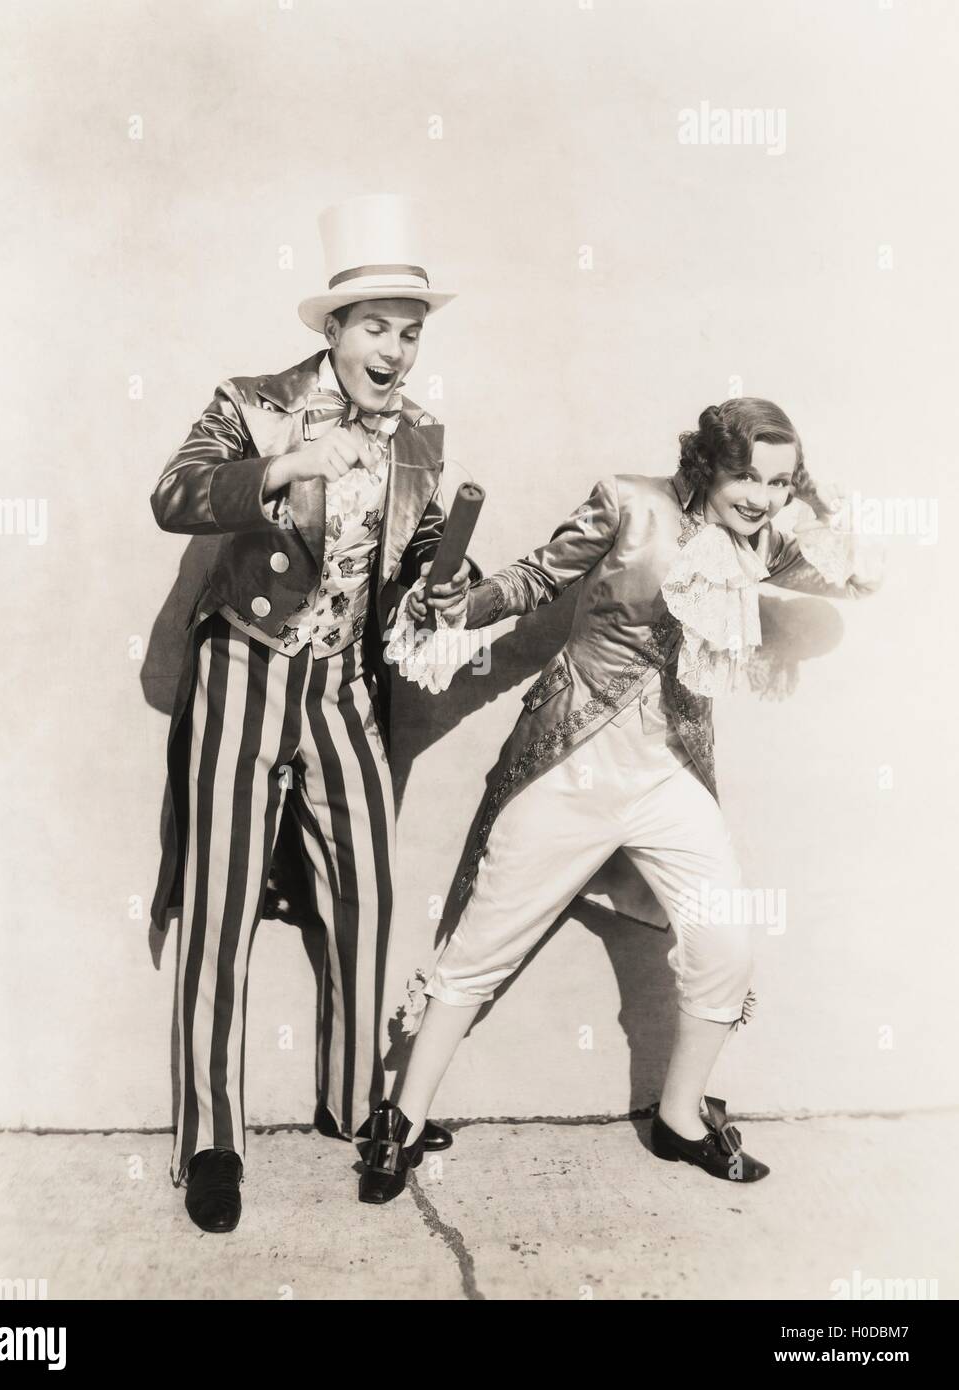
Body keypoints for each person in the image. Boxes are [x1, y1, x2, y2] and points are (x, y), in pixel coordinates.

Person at [357, 397, 883, 1202]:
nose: (760, 496)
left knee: (727, 943)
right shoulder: (628, 500)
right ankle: (399, 1120)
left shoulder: (768, 542)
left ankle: (680, 1119)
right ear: (707, 464)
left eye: (777, 481)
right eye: (746, 474)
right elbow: (538, 577)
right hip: (573, 759)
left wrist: (818, 500)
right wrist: (461, 606)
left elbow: (860, 580)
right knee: (479, 947)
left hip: (671, 771)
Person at [149, 194, 473, 1231]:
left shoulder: (420, 437)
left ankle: (355, 1104)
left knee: (368, 894)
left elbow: (412, 562)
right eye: (374, 325)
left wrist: (438, 596)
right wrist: (279, 468)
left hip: (339, 686)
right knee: (219, 912)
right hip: (243, 673)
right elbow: (172, 494)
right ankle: (210, 1140)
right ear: (330, 330)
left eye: (410, 329)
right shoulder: (252, 402)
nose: (395, 348)